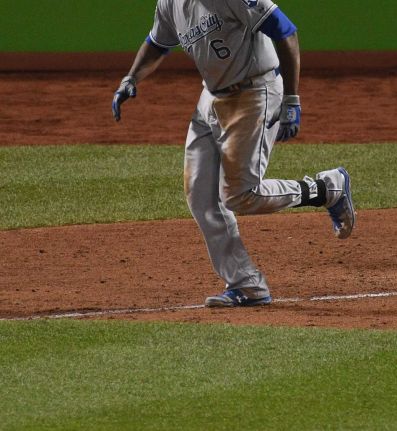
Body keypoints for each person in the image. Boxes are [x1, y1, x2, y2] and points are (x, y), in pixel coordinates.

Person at [111, 0, 355, 307]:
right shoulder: (170, 2)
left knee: (240, 196)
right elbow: (157, 42)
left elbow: (285, 31)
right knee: (200, 195)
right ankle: (247, 284)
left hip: (254, 94)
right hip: (211, 98)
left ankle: (326, 188)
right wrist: (131, 78)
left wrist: (292, 99)